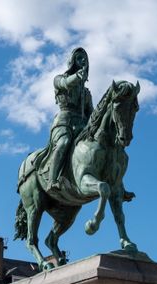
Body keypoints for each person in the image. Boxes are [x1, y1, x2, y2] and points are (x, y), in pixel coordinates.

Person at [47, 47, 93, 191]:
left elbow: (91, 114)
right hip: (64, 122)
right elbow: (66, 84)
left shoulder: (86, 93)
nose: (83, 61)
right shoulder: (59, 79)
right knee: (64, 143)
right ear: (72, 62)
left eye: (84, 59)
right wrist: (77, 77)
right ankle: (52, 181)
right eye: (79, 58)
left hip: (81, 125)